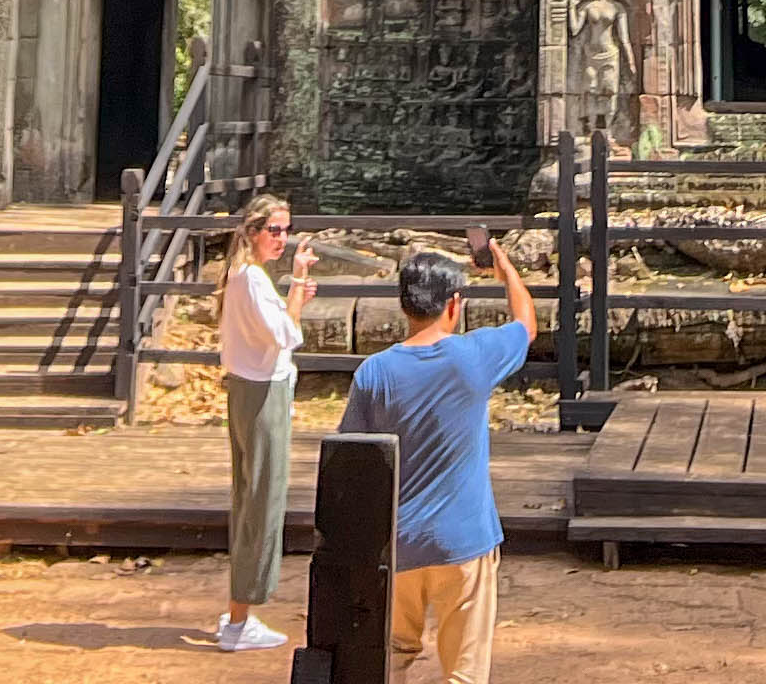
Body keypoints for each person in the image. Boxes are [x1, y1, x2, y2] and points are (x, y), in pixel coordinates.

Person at [330, 228, 536, 684]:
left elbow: (353, 465)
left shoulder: (373, 373)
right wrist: (505, 270)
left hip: (396, 544)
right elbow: (526, 322)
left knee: (390, 658)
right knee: (464, 670)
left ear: (405, 306)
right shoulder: (474, 357)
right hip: (463, 540)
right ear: (454, 304)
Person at [214, 192, 317, 653]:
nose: (281, 238)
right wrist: (297, 293)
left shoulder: (242, 276)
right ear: (253, 232)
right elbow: (286, 336)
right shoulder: (251, 279)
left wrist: (295, 284)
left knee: (250, 496)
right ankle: (241, 616)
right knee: (262, 500)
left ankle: (239, 610)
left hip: (246, 390)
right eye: (274, 230)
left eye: (285, 230)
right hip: (260, 395)